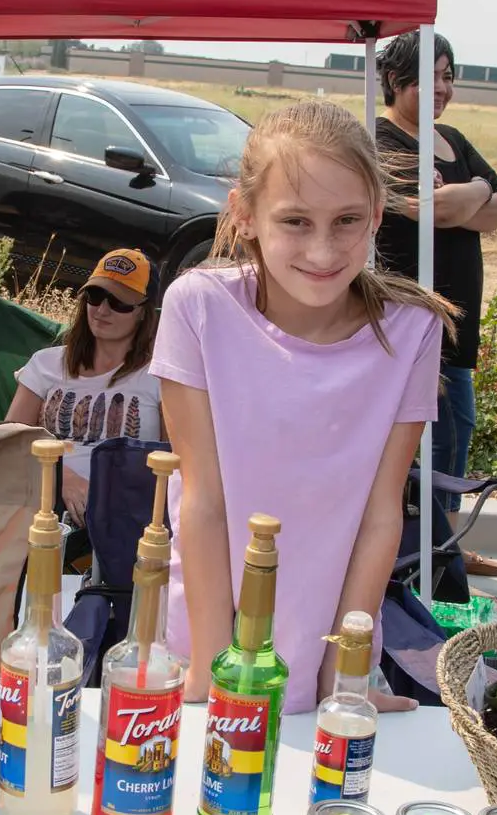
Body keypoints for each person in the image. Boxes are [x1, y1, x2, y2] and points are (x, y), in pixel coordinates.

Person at [155, 99, 450, 716]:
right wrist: (211, 668)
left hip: (331, 661)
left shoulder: (413, 330)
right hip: (203, 646)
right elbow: (202, 501)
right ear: (244, 215)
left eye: (347, 221)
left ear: (376, 215)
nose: (322, 251)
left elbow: (380, 515)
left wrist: (342, 673)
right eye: (295, 221)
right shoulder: (197, 307)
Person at [372, 31, 497, 579]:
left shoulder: (451, 138)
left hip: (459, 325)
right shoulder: (381, 139)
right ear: (396, 80)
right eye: (431, 77)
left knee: (455, 432)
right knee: (430, 434)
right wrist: (475, 192)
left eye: (449, 77)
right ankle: (432, 548)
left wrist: (467, 196)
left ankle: (444, 542)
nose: (443, 89)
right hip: (411, 321)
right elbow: (440, 210)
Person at [4, 247, 162, 521]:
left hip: (123, 512)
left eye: (119, 303)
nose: (102, 310)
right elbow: (10, 442)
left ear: (143, 313)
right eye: (95, 296)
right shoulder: (46, 363)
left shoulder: (159, 377)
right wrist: (61, 476)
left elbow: (174, 463)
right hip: (40, 498)